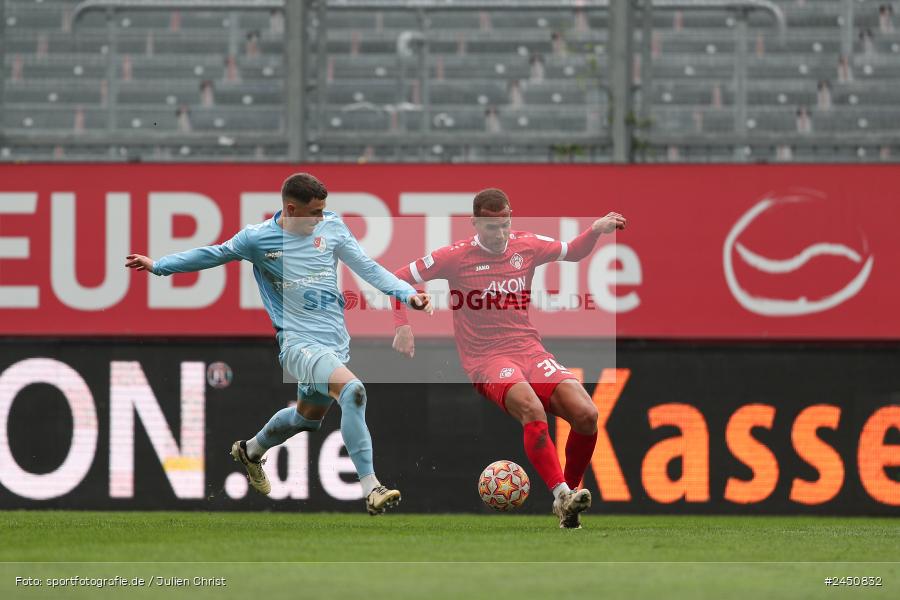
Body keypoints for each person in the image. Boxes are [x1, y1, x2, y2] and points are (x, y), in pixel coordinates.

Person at [126, 173, 432, 515]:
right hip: (298, 344)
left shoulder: (331, 227)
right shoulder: (258, 239)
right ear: (291, 208)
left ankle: (251, 450)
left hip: (334, 342)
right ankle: (371, 488)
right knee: (353, 391)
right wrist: (159, 266)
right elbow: (213, 254)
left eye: (322, 211)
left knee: (306, 418)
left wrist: (407, 294)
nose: (320, 218)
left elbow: (369, 268)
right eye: (314, 212)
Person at [391, 188, 626, 528]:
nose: (499, 234)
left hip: (529, 348)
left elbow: (573, 252)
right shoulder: (455, 256)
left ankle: (569, 500)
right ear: (474, 224)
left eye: (504, 225)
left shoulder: (526, 245)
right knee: (531, 408)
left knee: (587, 415)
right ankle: (561, 494)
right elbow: (399, 278)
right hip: (486, 358)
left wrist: (596, 229)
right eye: (490, 228)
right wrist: (402, 325)